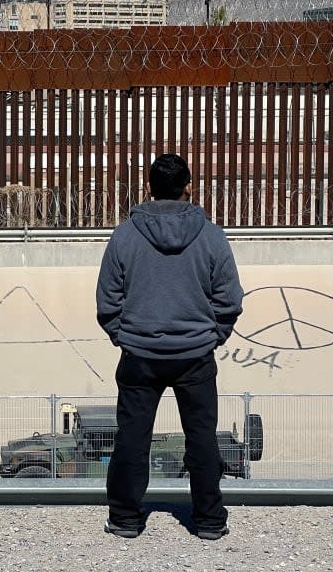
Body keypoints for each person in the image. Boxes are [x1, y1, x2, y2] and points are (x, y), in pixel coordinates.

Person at [95, 153, 243, 541]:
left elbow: (107, 300)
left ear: (148, 187)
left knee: (132, 438)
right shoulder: (211, 234)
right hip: (195, 354)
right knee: (202, 439)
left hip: (139, 354)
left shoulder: (125, 235)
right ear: (188, 187)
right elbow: (230, 300)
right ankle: (210, 521)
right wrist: (213, 337)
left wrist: (124, 336)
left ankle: (126, 519)